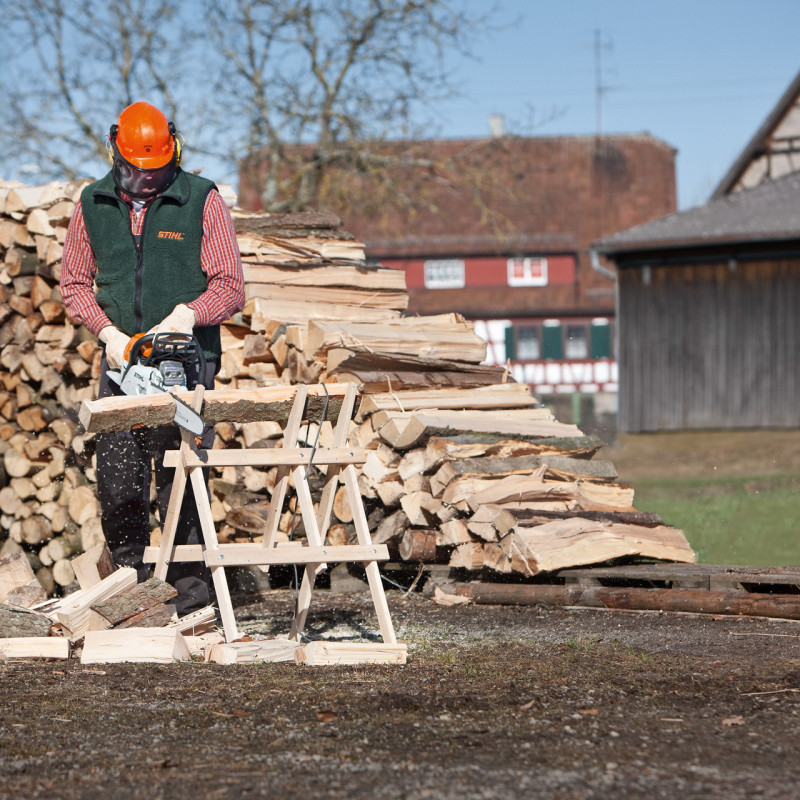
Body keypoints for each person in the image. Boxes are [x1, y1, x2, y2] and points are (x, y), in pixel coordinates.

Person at [61, 101, 245, 614]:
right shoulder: (93, 201)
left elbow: (230, 286)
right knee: (119, 478)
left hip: (187, 363)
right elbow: (74, 284)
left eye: (154, 172)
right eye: (132, 172)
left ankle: (190, 601)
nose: (143, 183)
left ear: (174, 154)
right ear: (115, 155)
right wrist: (107, 333)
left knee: (181, 477)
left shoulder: (201, 200)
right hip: (123, 361)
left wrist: (189, 314)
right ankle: (129, 593)